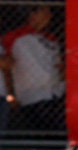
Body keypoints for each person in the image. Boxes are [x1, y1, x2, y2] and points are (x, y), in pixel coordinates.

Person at [1, 4, 65, 132]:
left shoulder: (51, 38)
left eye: (49, 12)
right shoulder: (13, 36)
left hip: (57, 92)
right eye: (44, 11)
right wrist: (10, 94)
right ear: (32, 14)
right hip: (31, 95)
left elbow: (59, 66)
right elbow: (5, 65)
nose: (49, 15)